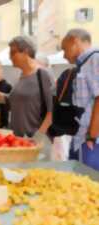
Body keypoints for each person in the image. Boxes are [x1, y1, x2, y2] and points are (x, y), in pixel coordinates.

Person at [0, 36, 53, 137]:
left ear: (25, 52)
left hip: (34, 144)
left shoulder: (44, 75)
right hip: (19, 140)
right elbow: (12, 101)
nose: (10, 57)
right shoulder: (21, 76)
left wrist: (38, 137)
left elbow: (52, 112)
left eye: (13, 53)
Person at [61, 28, 99, 170]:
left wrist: (92, 136)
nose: (64, 55)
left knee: (90, 185)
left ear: (74, 41)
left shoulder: (95, 59)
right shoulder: (84, 64)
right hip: (81, 138)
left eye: (64, 49)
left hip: (90, 141)